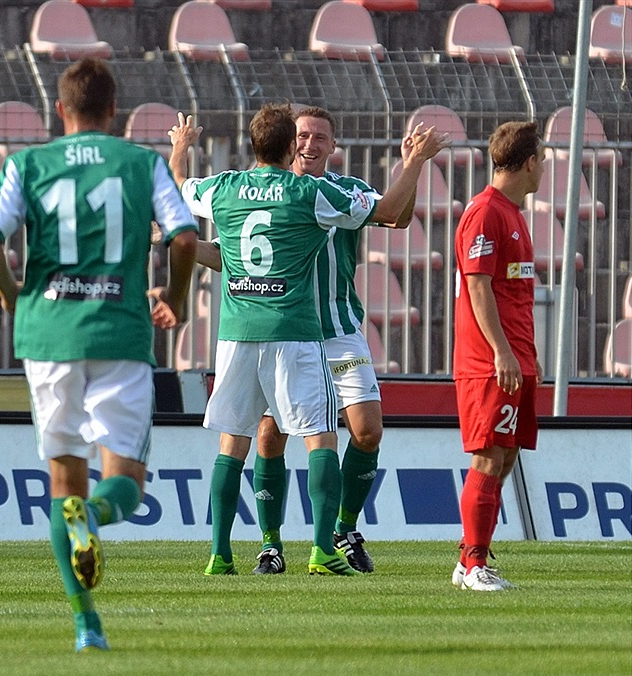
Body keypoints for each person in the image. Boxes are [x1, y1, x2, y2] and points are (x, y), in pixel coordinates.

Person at [0, 57, 198, 651]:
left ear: (60, 109)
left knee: (62, 482)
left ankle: (86, 625)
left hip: (49, 337)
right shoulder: (143, 163)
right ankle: (94, 515)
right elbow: (183, 238)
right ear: (114, 109)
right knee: (125, 481)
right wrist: (175, 298)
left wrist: (12, 295)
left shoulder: (28, 164)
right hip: (119, 334)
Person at [167, 107, 448, 575]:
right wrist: (415, 161)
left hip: (332, 332)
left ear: (333, 146)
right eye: (302, 136)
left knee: (366, 429)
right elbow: (227, 255)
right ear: (288, 143)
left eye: (320, 137)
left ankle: (339, 529)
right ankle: (273, 545)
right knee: (279, 435)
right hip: (293, 333)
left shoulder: (339, 189)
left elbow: (396, 217)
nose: (310, 144)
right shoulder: (308, 195)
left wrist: (411, 167)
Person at [452, 120, 544, 591]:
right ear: (529, 162)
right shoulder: (486, 212)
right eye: (542, 159)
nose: (543, 168)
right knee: (490, 456)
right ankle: (474, 566)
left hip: (514, 357)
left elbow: (513, 293)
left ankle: (469, 557)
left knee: (505, 456)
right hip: (488, 361)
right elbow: (478, 286)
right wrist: (502, 353)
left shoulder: (513, 213)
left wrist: (527, 356)